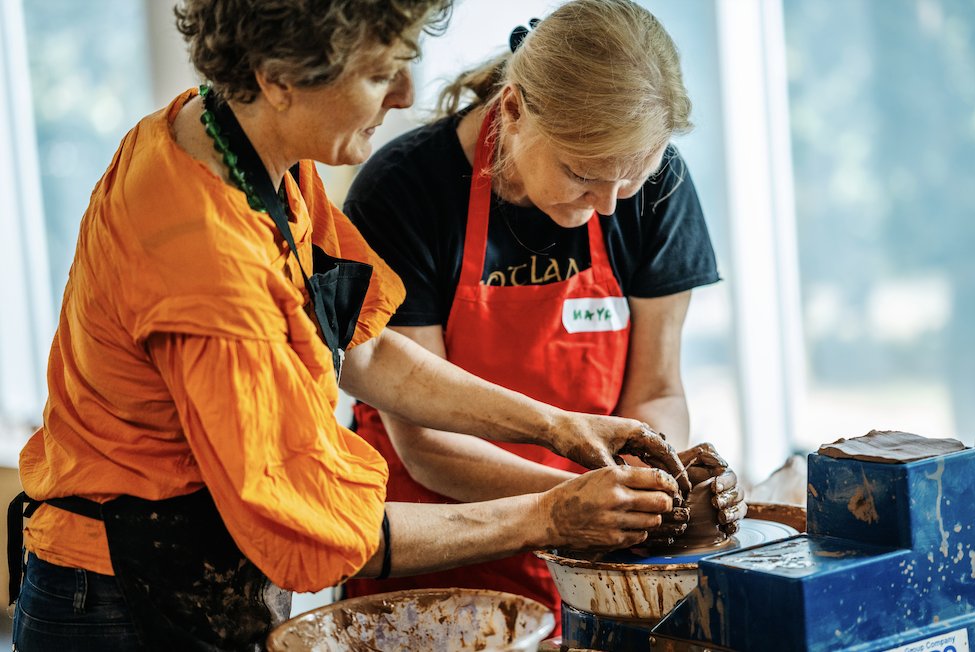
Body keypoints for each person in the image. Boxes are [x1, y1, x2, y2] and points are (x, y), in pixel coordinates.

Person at [8, 1, 695, 650]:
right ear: (277, 80)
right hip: (122, 598)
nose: (405, 92)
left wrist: (560, 427)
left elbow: (363, 352)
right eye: (377, 73)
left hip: (200, 572)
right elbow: (312, 531)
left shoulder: (238, 151)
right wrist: (547, 516)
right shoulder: (207, 259)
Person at [343, 0, 747, 624]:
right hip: (437, 555)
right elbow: (425, 439)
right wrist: (572, 505)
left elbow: (659, 388)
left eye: (630, 181)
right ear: (512, 111)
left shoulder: (654, 184)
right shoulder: (405, 192)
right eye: (583, 175)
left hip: (598, 561)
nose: (609, 208)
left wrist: (646, 489)